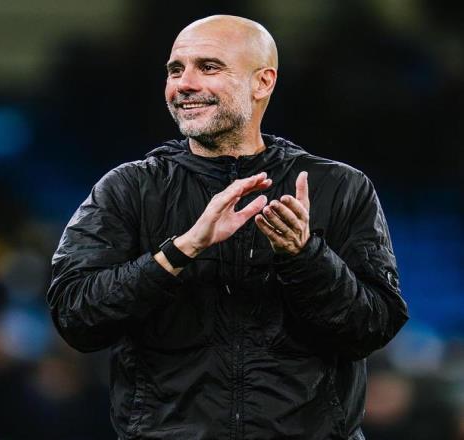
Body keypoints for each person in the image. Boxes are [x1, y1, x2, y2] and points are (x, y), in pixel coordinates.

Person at [47, 15, 409, 440]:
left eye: (209, 67)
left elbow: (374, 327)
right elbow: (75, 317)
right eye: (175, 70)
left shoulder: (339, 187)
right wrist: (178, 252)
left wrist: (305, 256)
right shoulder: (128, 189)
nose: (184, 84)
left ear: (263, 82)